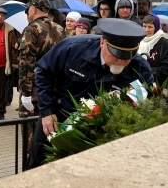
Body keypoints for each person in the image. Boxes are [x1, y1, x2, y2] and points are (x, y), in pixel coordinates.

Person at [28, 18, 154, 168]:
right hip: (57, 116)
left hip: (100, 129)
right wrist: (47, 111)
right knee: (39, 163)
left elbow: (150, 99)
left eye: (127, 56)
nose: (120, 61)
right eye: (116, 54)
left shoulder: (139, 68)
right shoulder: (73, 48)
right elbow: (43, 71)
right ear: (102, 43)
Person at [17, 0, 64, 118]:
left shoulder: (31, 29)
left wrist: (26, 93)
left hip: (35, 88)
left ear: (33, 9)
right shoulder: (60, 29)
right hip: (53, 88)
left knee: (30, 130)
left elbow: (26, 62)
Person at [139, 14, 168, 87]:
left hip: (159, 89)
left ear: (156, 28)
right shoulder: (138, 43)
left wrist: (145, 72)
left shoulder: (167, 45)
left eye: (150, 27)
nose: (146, 30)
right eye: (144, 26)